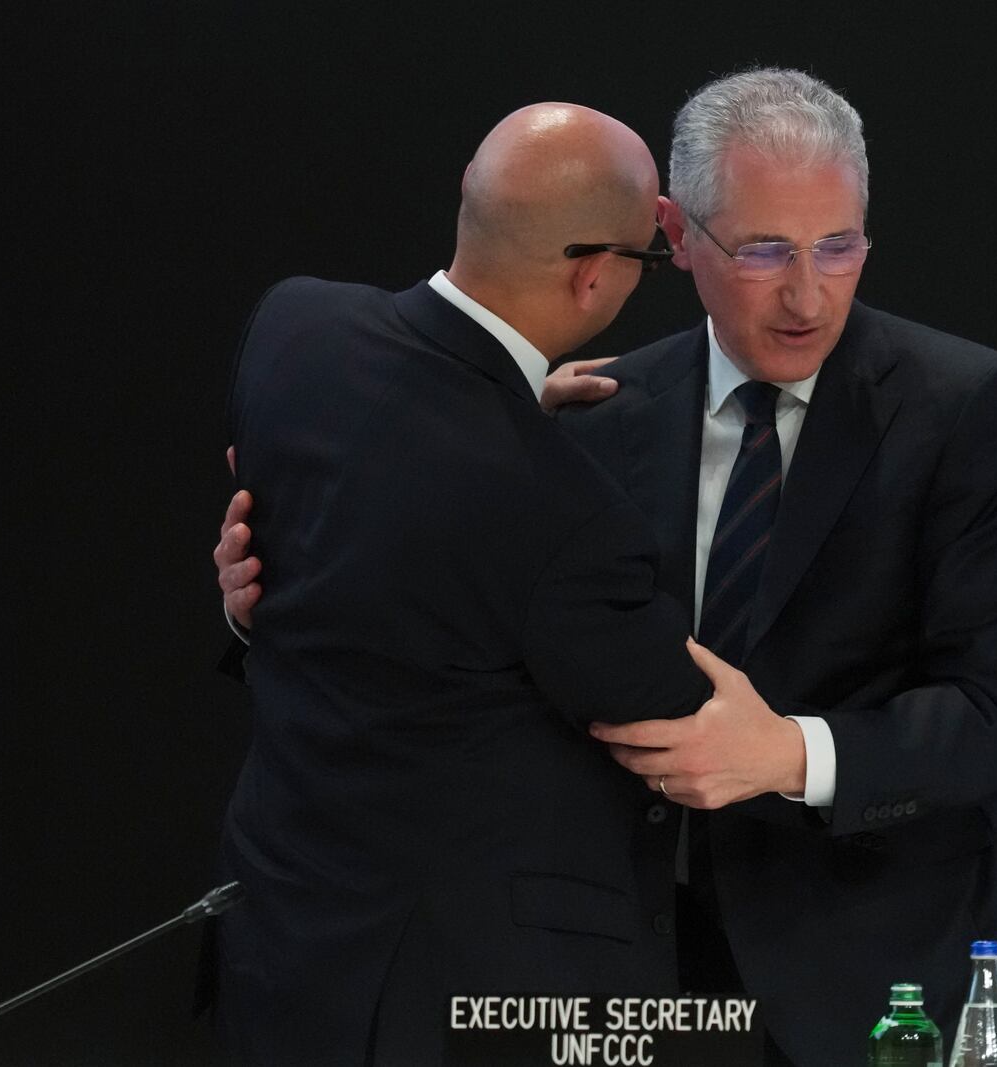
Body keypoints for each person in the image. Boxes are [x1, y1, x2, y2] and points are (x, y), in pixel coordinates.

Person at [218, 70, 997, 1065]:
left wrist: (789, 753)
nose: (807, 294)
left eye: (837, 246)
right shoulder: (591, 413)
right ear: (676, 235)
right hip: (645, 977)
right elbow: (470, 621)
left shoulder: (969, 408)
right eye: (763, 250)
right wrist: (265, 600)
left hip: (888, 963)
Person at [205, 101, 749, 1065]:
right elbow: (671, 716)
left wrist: (510, 401)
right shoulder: (562, 513)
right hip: (453, 999)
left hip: (282, 944)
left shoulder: (294, 326)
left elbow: (386, 469)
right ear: (593, 275)